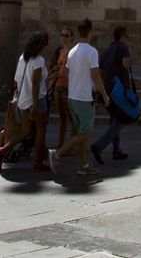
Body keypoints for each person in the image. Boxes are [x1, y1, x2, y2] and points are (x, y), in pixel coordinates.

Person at [58, 19, 110, 177]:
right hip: (84, 98)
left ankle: (84, 164)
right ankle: (57, 154)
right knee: (86, 133)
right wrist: (104, 95)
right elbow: (95, 75)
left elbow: (65, 73)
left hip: (72, 97)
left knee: (81, 132)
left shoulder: (72, 51)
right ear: (90, 32)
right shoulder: (91, 51)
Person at [0, 31, 49, 172]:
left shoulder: (22, 58)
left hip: (22, 100)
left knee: (25, 131)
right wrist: (36, 107)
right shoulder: (39, 61)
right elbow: (36, 84)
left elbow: (16, 80)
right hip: (35, 100)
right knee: (40, 132)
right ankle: (39, 162)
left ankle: (2, 149)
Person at [91, 25, 134, 163]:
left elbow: (100, 72)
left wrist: (100, 91)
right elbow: (126, 64)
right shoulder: (122, 47)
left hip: (108, 89)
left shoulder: (106, 50)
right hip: (119, 90)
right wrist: (129, 59)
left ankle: (116, 150)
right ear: (122, 35)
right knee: (122, 119)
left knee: (114, 118)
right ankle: (99, 146)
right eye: (126, 36)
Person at [48, 28, 73, 151]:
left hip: (69, 87)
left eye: (66, 35)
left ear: (71, 37)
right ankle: (61, 143)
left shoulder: (74, 52)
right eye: (62, 35)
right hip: (58, 86)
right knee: (62, 117)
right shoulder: (59, 51)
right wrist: (55, 72)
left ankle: (72, 145)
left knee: (72, 117)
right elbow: (51, 67)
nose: (64, 37)